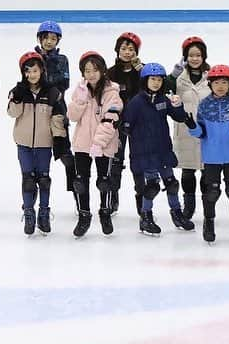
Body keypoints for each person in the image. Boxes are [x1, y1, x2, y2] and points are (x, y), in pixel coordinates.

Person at [120, 63, 190, 237]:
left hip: (162, 150)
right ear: (145, 80)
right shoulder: (136, 102)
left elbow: (179, 117)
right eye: (153, 79)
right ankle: (146, 217)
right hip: (145, 152)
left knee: (172, 184)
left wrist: (177, 105)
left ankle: (177, 214)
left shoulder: (162, 100)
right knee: (151, 187)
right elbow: (126, 126)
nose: (156, 83)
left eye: (159, 79)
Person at [186, 65, 229, 244]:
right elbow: (201, 133)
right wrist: (192, 127)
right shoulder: (204, 104)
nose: (220, 86)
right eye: (216, 83)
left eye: (224, 82)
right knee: (211, 192)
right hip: (212, 156)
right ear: (210, 84)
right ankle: (209, 222)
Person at [7, 52, 67, 236]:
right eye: (27, 71)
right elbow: (12, 113)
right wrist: (16, 98)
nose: (31, 75)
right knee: (28, 179)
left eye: (35, 70)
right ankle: (28, 212)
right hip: (23, 143)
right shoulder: (18, 91)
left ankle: (44, 212)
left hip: (44, 144)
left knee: (43, 179)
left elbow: (58, 118)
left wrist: (59, 139)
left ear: (42, 70)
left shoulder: (53, 93)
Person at [67, 52, 124, 237]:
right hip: (82, 144)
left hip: (104, 145)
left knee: (104, 181)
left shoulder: (112, 93)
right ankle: (84, 215)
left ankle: (105, 212)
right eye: (86, 70)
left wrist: (98, 144)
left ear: (102, 70)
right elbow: (72, 116)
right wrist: (80, 100)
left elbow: (111, 120)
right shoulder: (81, 89)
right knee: (80, 182)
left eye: (94, 70)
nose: (90, 74)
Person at [172, 36, 210, 221]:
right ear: (185, 56)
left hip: (206, 130)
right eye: (191, 55)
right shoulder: (179, 78)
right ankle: (189, 205)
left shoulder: (211, 76)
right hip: (185, 130)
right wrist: (173, 74)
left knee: (205, 169)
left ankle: (206, 203)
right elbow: (165, 88)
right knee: (187, 170)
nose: (195, 58)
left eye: (198, 55)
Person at [106, 31, 144, 215]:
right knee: (115, 161)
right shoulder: (110, 73)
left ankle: (141, 198)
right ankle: (113, 196)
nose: (127, 52)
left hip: (139, 124)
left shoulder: (143, 72)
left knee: (139, 161)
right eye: (123, 48)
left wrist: (140, 70)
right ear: (117, 50)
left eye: (131, 49)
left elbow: (154, 87)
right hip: (117, 124)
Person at [34, 21, 74, 194]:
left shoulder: (62, 59)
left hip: (58, 108)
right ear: (40, 39)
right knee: (37, 153)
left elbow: (64, 83)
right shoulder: (33, 58)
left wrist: (48, 85)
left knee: (65, 152)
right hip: (37, 110)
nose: (49, 41)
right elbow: (30, 82)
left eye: (53, 38)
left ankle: (76, 191)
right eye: (46, 38)